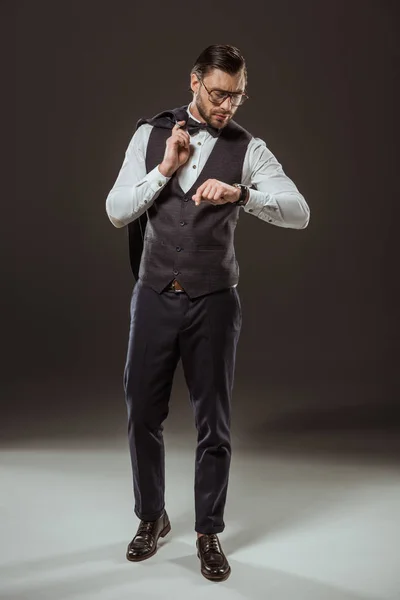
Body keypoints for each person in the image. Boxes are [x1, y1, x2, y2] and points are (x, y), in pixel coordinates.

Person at [105, 44, 310, 582]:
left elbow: (299, 213)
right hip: (152, 295)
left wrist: (243, 194)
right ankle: (152, 517)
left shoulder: (249, 148)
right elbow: (115, 209)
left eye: (237, 97)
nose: (227, 107)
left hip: (215, 301)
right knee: (141, 414)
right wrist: (164, 169)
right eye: (219, 94)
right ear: (194, 81)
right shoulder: (150, 135)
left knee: (212, 424)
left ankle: (208, 531)